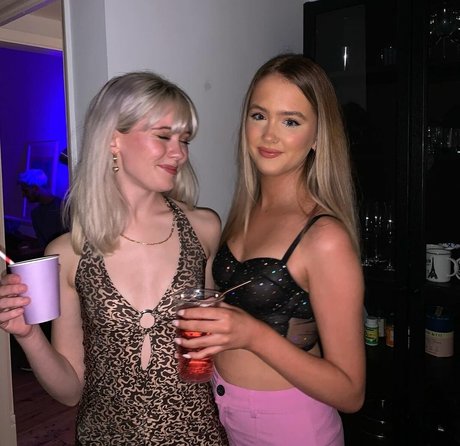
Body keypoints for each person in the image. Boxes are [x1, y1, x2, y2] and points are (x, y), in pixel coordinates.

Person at [0, 71, 228, 445]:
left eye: (184, 139)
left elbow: (209, 358)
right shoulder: (68, 254)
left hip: (196, 435)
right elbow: (70, 391)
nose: (180, 153)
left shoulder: (204, 229)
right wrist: (27, 335)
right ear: (113, 139)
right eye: (163, 136)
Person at [173, 54, 365, 445]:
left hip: (292, 426)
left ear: (317, 137)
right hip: (229, 414)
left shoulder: (324, 236)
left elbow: (350, 393)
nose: (269, 135)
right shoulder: (243, 212)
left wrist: (252, 335)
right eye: (259, 116)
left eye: (290, 121)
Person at [18, 168, 67, 248]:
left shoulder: (64, 208)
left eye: (25, 191)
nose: (23, 195)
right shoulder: (35, 214)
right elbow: (43, 244)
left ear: (35, 188)